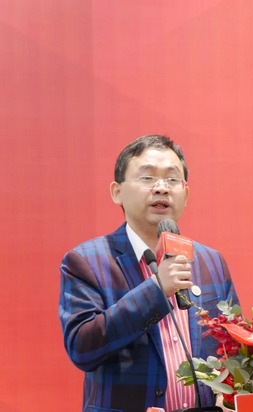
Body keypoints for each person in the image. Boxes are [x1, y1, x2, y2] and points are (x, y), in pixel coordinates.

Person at [59, 135, 238, 412]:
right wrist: (156, 290)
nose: (161, 188)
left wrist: (229, 394)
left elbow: (232, 346)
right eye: (147, 178)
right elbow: (83, 349)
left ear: (186, 194)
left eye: (172, 179)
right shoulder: (87, 261)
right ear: (117, 192)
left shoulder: (210, 261)